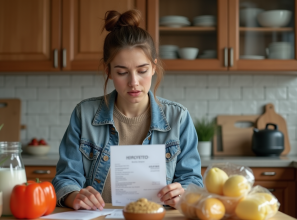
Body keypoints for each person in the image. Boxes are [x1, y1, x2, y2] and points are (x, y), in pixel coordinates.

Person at [52, 9, 203, 211]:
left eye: (142, 71)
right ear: (108, 71)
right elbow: (65, 179)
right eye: (122, 72)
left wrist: (183, 193)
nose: (134, 82)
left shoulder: (179, 117)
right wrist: (73, 196)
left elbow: (193, 181)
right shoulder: (84, 114)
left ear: (154, 68)